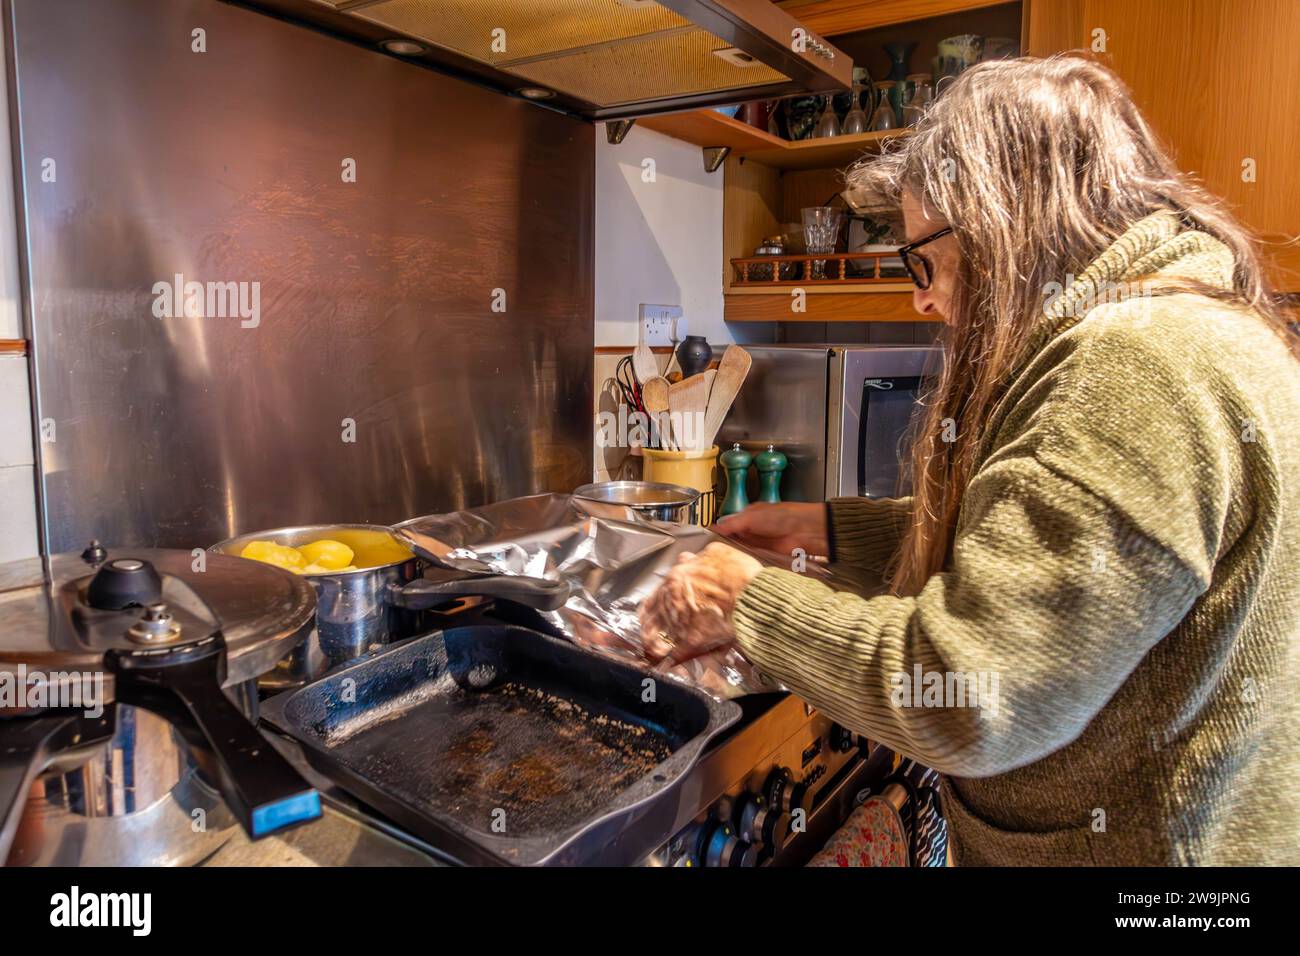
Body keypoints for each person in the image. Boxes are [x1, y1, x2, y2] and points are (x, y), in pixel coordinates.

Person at [640, 55, 1300, 866]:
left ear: (1001, 219)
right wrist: (841, 534)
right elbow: (1055, 555)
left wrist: (748, 602)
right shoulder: (1184, 324)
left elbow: (972, 696)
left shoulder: (1135, 366)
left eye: (923, 259)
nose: (921, 298)